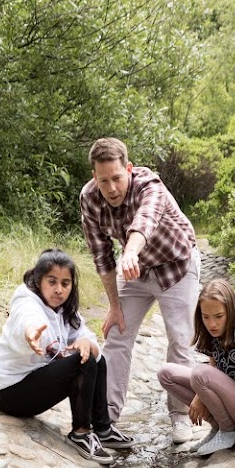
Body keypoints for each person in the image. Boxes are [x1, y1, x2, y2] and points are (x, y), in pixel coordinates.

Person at [80, 136, 201, 431]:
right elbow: (101, 255)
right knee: (117, 333)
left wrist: (131, 251)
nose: (111, 188)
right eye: (103, 180)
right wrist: (113, 306)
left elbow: (144, 222)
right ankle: (106, 417)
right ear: (94, 176)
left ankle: (180, 416)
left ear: (130, 169)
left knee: (180, 338)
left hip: (177, 266)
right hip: (136, 272)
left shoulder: (150, 186)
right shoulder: (90, 197)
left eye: (117, 178)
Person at [0, 247, 133, 464]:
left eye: (65, 284)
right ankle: (81, 433)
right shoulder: (26, 301)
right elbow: (27, 321)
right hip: (11, 394)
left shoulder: (65, 309)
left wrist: (87, 341)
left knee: (94, 355)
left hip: (36, 383)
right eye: (52, 282)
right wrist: (31, 335)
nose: (58, 290)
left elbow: (83, 333)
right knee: (82, 361)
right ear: (38, 281)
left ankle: (102, 428)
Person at [158, 279, 235, 455]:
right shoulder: (212, 332)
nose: (212, 324)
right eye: (206, 317)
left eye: (218, 316)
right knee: (166, 373)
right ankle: (218, 428)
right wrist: (199, 397)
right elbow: (214, 371)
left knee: (199, 373)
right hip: (229, 398)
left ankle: (228, 431)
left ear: (230, 311)